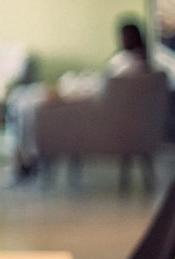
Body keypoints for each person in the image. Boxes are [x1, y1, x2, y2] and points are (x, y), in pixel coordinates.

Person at [9, 17, 153, 180]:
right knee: (26, 99)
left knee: (29, 102)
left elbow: (104, 92)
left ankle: (27, 157)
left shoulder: (129, 64)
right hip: (94, 99)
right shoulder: (136, 64)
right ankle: (25, 156)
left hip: (90, 102)